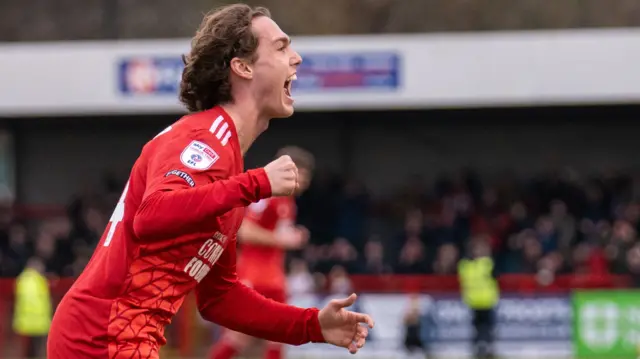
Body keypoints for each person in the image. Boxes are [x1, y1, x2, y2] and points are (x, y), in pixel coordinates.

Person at [47, 4, 373, 359]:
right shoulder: (204, 139)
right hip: (102, 334)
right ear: (243, 67)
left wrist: (311, 326)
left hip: (122, 336)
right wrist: (256, 183)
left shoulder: (226, 164)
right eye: (281, 47)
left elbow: (219, 298)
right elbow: (152, 214)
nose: (295, 58)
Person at [209, 146, 314, 359]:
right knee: (239, 336)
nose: (301, 182)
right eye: (298, 174)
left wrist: (293, 236)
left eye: (305, 177)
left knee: (277, 335)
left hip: (274, 276)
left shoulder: (287, 200)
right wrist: (281, 239)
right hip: (253, 275)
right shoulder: (267, 194)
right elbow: (244, 231)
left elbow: (276, 233)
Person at [458, 240, 499, 359]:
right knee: (476, 327)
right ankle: (479, 347)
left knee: (488, 327)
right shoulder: (466, 265)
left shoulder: (489, 263)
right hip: (473, 302)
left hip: (487, 301)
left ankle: (488, 347)